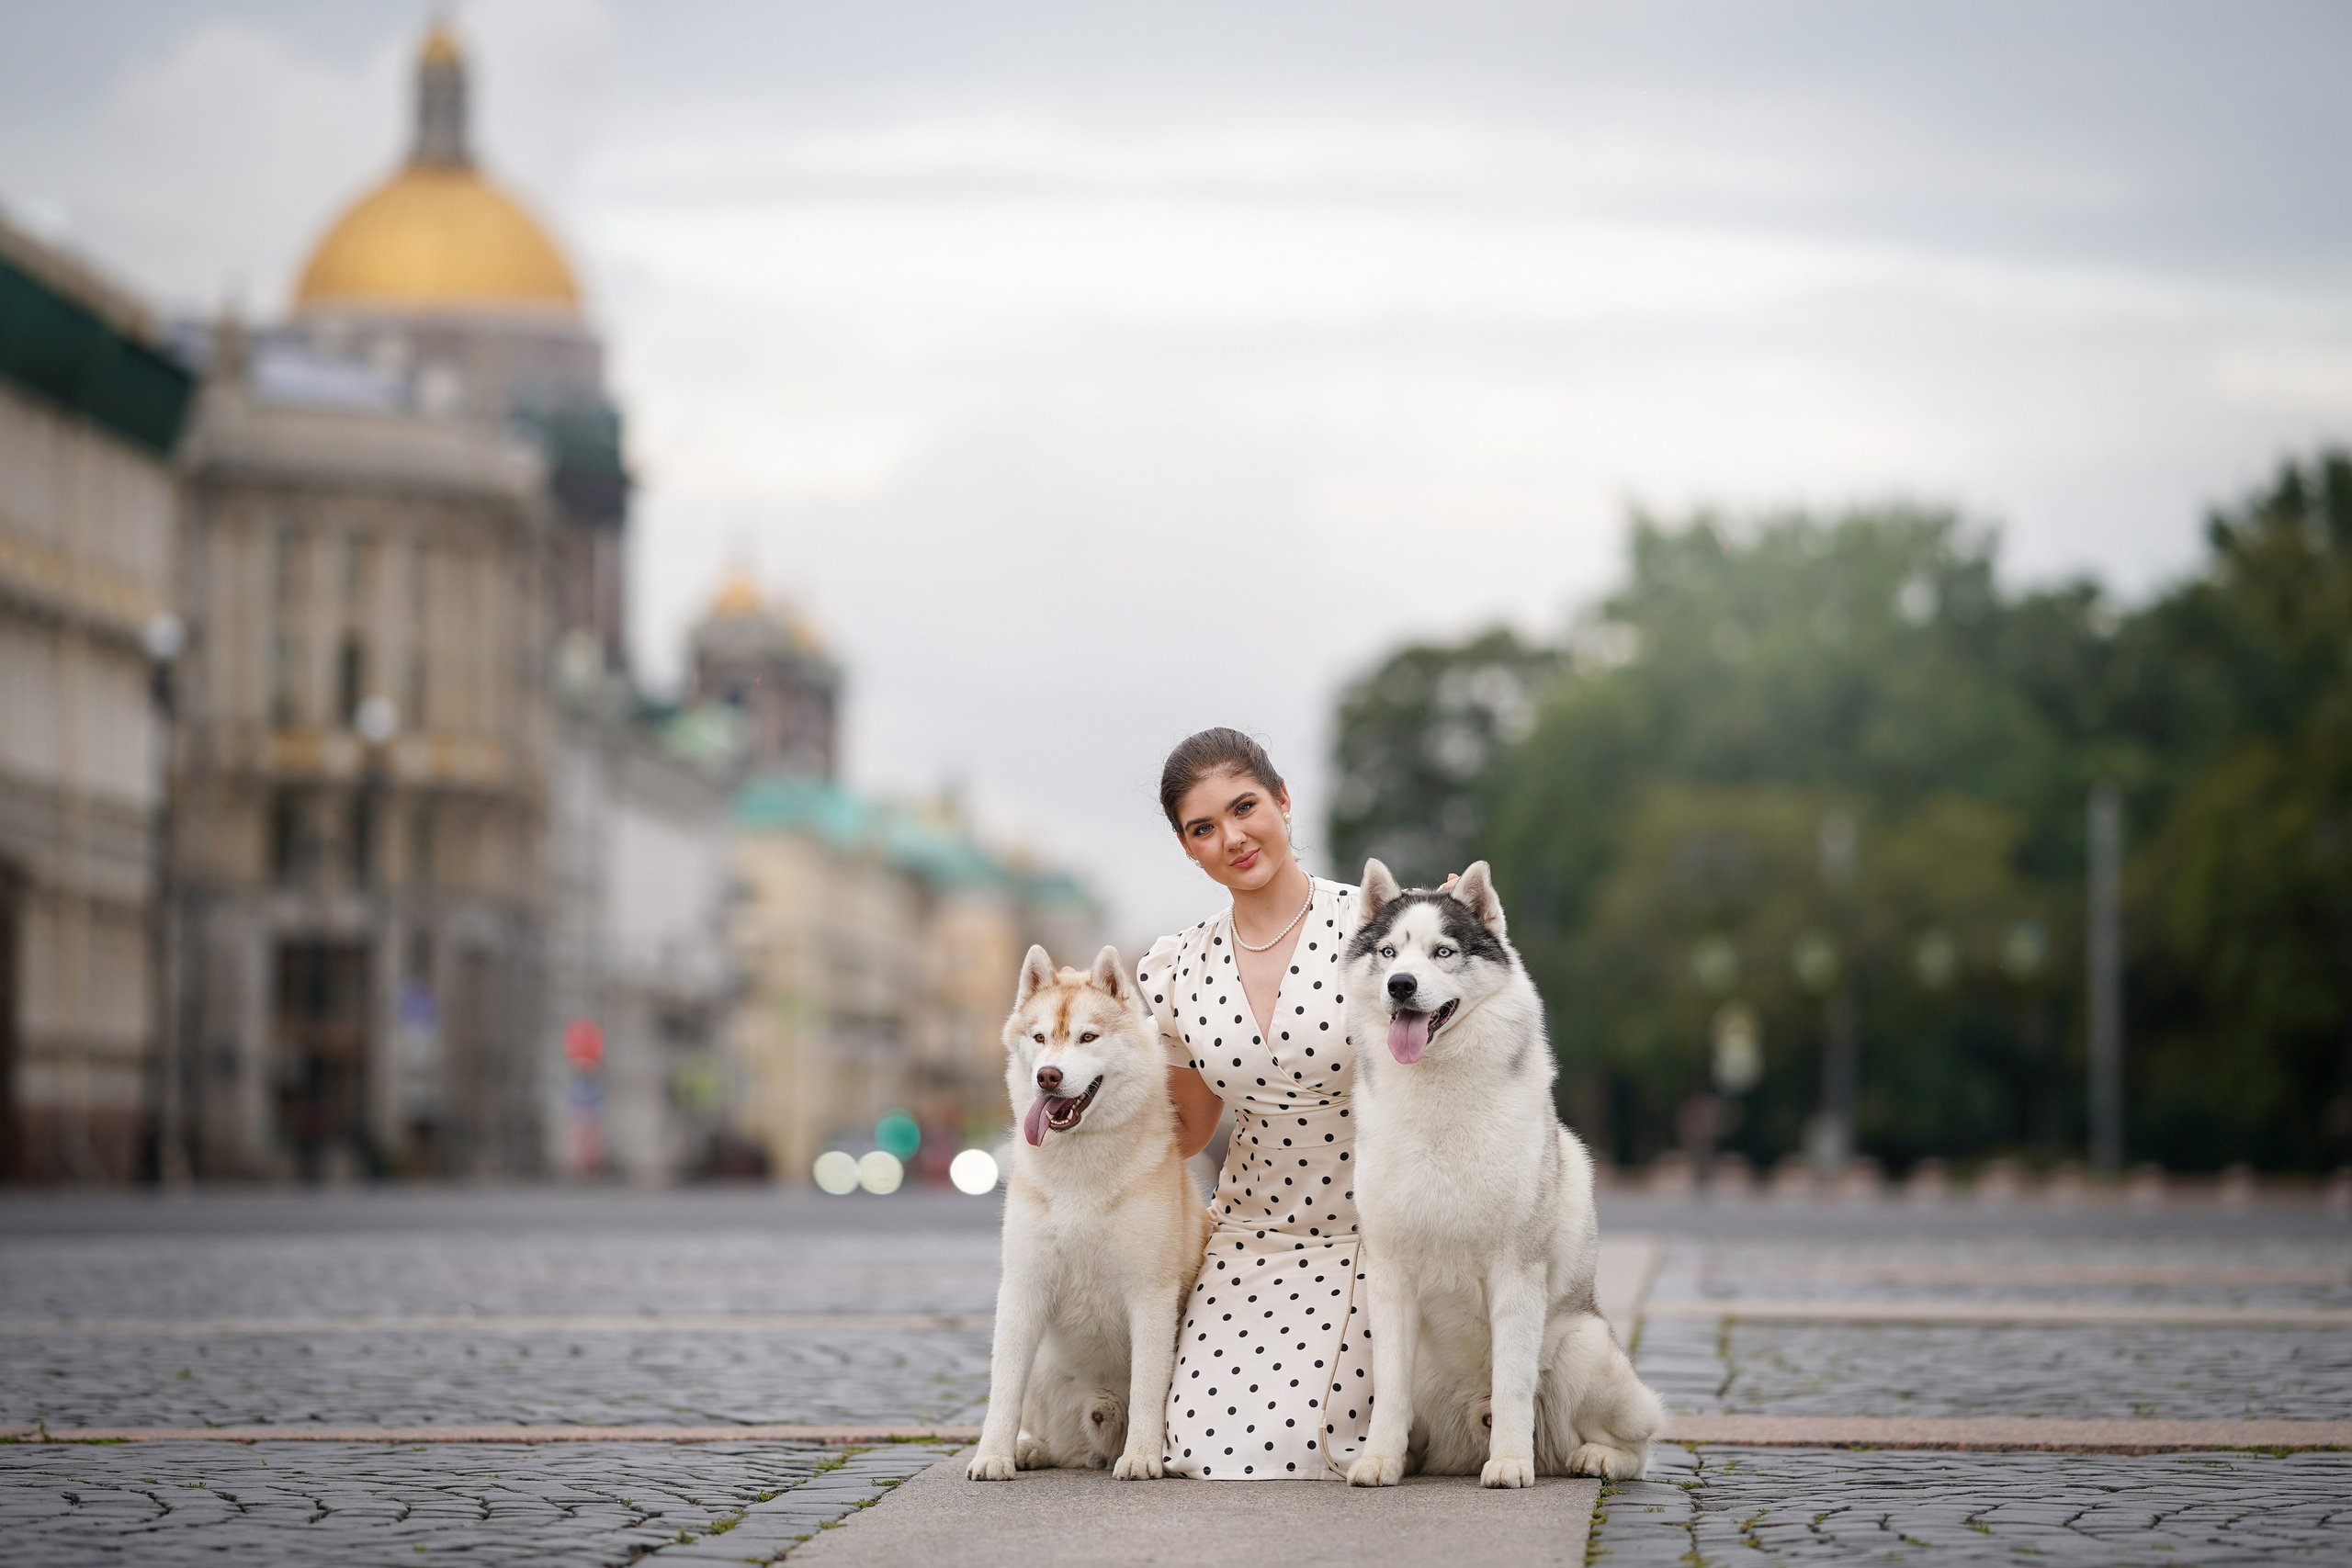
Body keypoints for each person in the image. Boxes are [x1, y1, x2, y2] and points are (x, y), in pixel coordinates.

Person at [1135, 728, 1377, 1480]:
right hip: (1248, 1236)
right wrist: (1085, 1073)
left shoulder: (1376, 926)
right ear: (1187, 847)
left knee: (1297, 1448)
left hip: (1375, 1232)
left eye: (1245, 807)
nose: (1232, 837)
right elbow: (1185, 1131)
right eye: (1203, 828)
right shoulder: (1180, 966)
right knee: (1200, 1445)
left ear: (1282, 799)